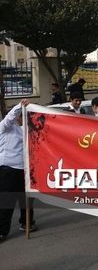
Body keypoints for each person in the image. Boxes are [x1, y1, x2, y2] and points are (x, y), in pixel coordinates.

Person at [0, 99, 37, 242]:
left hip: (24, 170)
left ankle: (26, 223)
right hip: (8, 170)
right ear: (17, 116)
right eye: (22, 115)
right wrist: (20, 105)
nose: (24, 118)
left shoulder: (24, 130)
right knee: (7, 201)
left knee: (27, 200)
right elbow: (9, 117)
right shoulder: (4, 126)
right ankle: (2, 231)